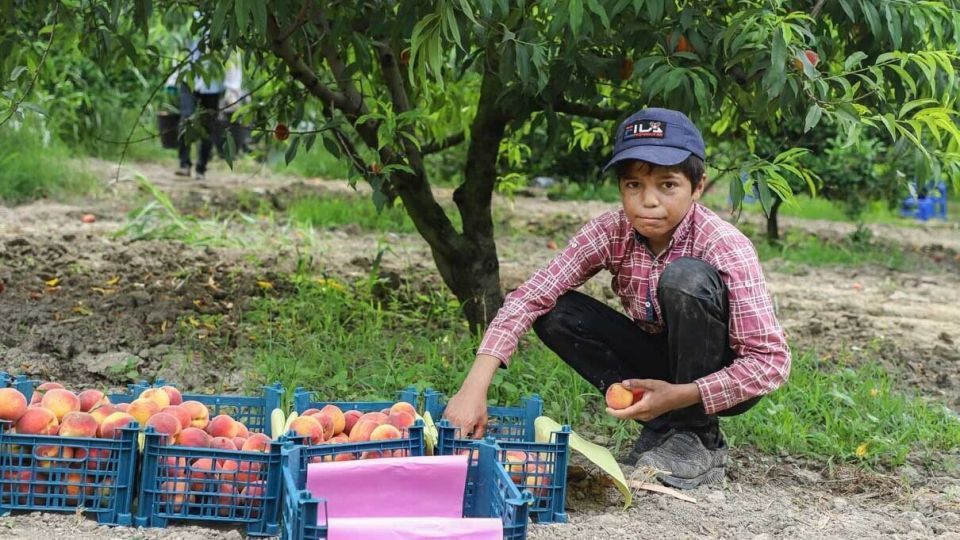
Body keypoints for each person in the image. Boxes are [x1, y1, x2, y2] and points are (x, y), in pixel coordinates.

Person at [442, 108, 791, 489]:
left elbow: (769, 362)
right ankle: (662, 427)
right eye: (633, 185)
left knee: (685, 278)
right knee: (556, 312)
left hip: (714, 374)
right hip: (658, 360)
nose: (649, 201)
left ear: (698, 186)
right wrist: (473, 388)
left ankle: (696, 435)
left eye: (668, 185)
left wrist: (682, 395)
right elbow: (530, 297)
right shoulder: (611, 231)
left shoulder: (723, 244)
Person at [169, 39, 242, 180]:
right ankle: (184, 164)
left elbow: (232, 56)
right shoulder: (190, 21)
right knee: (186, 118)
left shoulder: (222, 26)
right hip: (189, 79)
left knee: (208, 124)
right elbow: (180, 50)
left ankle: (201, 167)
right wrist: (173, 79)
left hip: (213, 84)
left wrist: (233, 88)